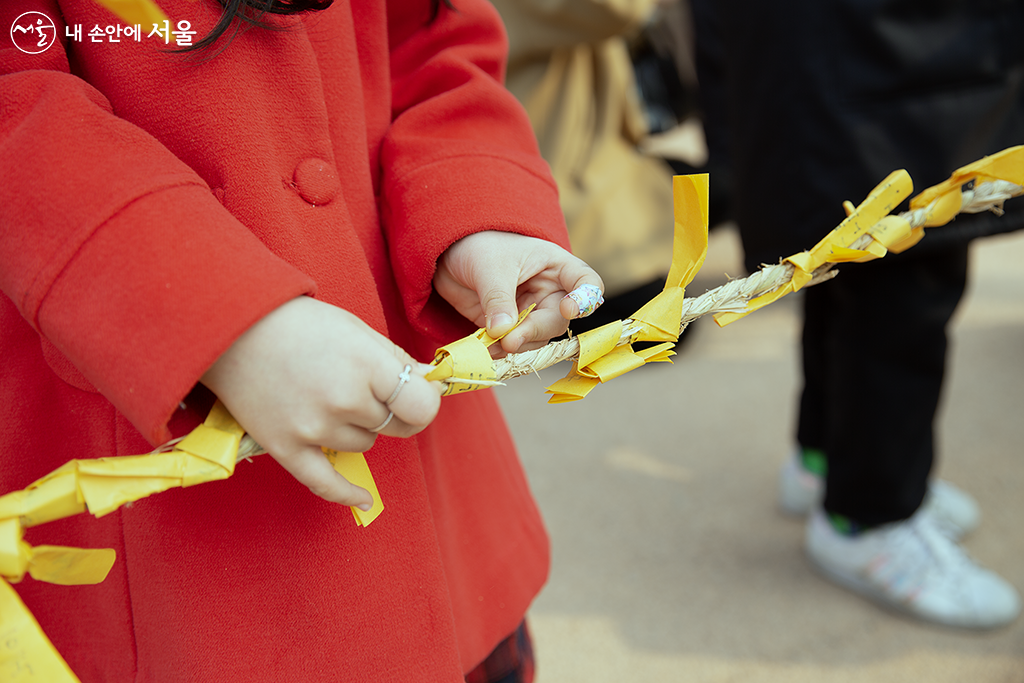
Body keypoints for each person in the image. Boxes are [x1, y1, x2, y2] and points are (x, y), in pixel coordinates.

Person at [0, 1, 603, 681]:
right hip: (181, 570)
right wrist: (218, 313)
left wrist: (472, 208)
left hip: (444, 530)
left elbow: (429, 33)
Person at [692, 0, 1023, 628]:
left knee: (841, 242)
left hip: (821, 40)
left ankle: (824, 461)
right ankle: (868, 516)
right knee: (904, 261)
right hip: (886, 43)